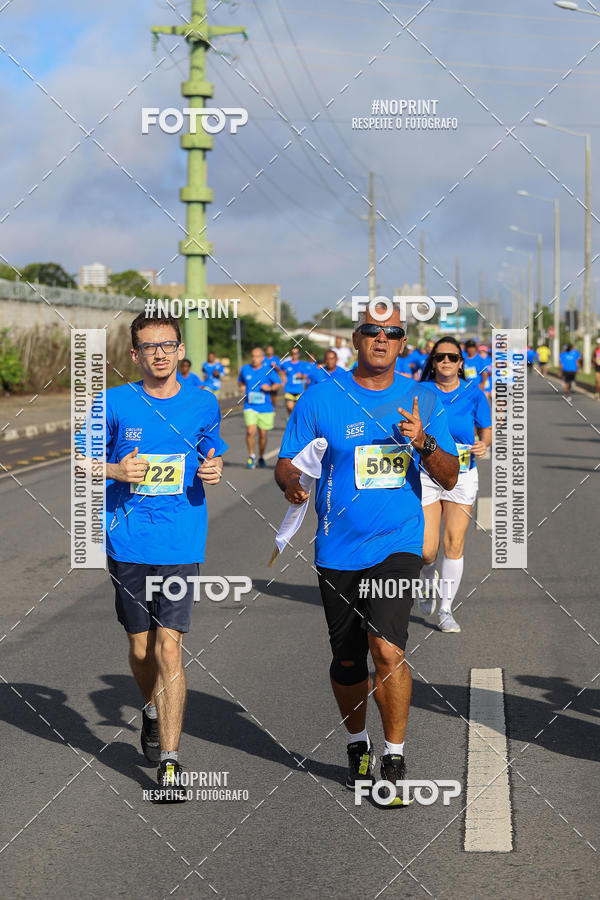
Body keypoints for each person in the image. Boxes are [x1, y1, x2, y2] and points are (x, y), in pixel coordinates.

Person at [275, 302, 458, 805]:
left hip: (397, 542)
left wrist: (422, 442)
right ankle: (358, 743)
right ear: (356, 339)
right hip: (337, 548)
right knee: (349, 660)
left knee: (388, 649)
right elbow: (288, 463)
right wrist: (293, 486)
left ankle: (395, 756)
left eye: (393, 332)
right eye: (372, 332)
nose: (382, 339)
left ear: (403, 343)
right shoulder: (319, 398)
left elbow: (449, 476)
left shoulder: (420, 398)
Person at [77, 311, 227, 799]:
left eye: (168, 345)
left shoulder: (203, 404)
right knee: (141, 649)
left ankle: (169, 762)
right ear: (134, 354)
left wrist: (214, 467)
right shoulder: (113, 403)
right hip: (128, 541)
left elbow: (212, 450)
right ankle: (151, 707)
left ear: (181, 350)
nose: (159, 354)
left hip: (182, 539)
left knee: (170, 647)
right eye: (149, 346)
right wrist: (115, 471)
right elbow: (79, 459)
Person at [418, 337, 492, 633]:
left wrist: (484, 445)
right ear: (432, 363)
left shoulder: (475, 394)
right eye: (440, 357)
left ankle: (446, 610)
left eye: (452, 357)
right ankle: (426, 578)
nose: (446, 362)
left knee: (454, 544)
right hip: (427, 472)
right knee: (427, 550)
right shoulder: (420, 391)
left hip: (463, 474)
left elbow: (485, 432)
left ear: (461, 363)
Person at [238, 347, 281, 468]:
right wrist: (241, 387)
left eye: (257, 356)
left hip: (265, 407)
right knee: (250, 431)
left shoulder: (268, 370)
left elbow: (278, 383)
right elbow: (240, 381)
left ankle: (261, 456)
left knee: (262, 434)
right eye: (253, 356)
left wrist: (271, 388)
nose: (254, 359)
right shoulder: (245, 369)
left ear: (262, 358)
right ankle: (251, 456)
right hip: (250, 406)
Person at [280, 346, 309, 415]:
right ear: (291, 354)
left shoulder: (302, 364)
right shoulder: (286, 364)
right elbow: (282, 372)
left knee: (296, 409)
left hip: (299, 390)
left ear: (298, 354)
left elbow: (306, 376)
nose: (294, 355)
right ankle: (289, 419)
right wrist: (283, 378)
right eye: (293, 353)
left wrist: (301, 376)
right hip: (289, 389)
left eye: (296, 353)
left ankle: (292, 422)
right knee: (290, 407)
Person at [264, 345, 282, 410]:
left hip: (274, 381)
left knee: (273, 397)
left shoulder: (276, 359)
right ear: (266, 351)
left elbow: (279, 370)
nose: (270, 351)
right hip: (265, 380)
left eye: (271, 350)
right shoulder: (263, 359)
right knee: (265, 396)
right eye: (269, 350)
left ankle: (273, 408)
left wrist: (275, 366)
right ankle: (266, 409)